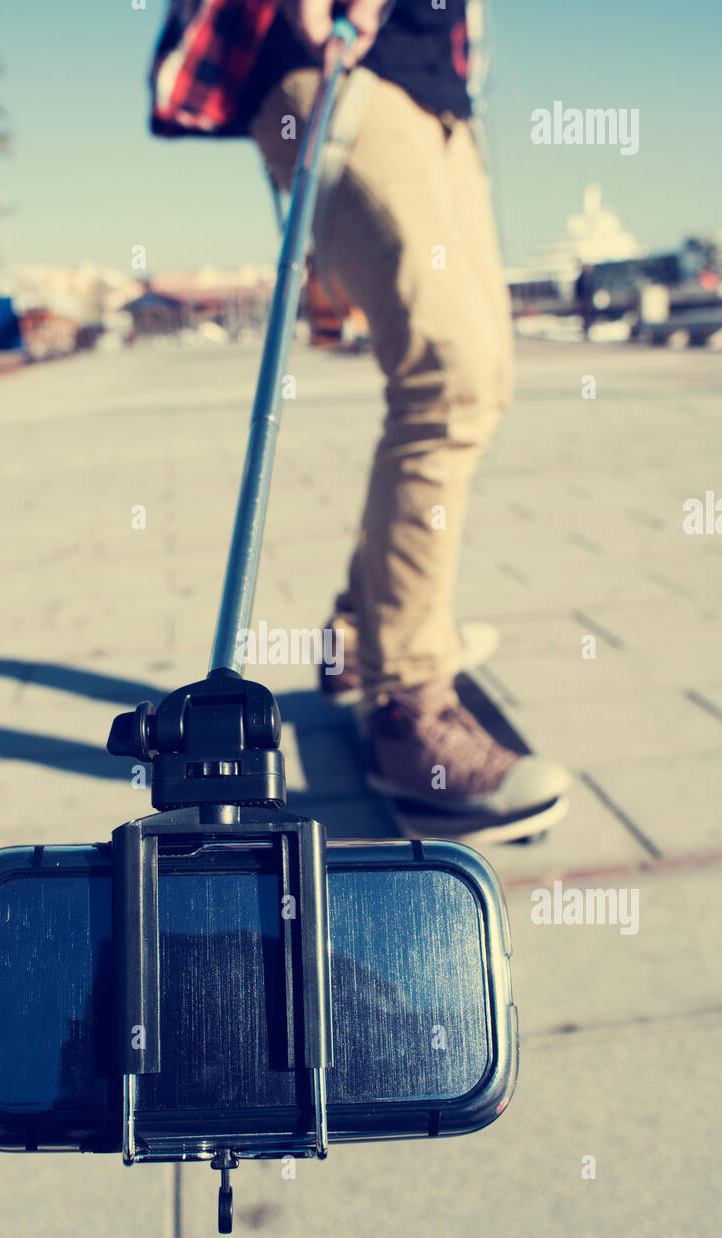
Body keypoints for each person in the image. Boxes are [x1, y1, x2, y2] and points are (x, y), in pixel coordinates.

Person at [150, 0, 570, 817]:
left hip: (435, 88)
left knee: (481, 379)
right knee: (447, 376)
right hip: (337, 60)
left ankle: (355, 637)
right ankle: (407, 706)